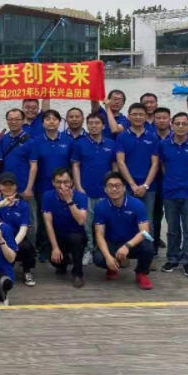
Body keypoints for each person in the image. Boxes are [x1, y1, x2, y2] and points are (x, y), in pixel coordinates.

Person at [159, 112, 188, 277]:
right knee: (172, 229)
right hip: (170, 192)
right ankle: (172, 258)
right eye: (177, 123)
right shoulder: (164, 145)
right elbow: (163, 164)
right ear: (171, 125)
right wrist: (170, 179)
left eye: (184, 124)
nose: (180, 126)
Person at [92, 172, 154, 290]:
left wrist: (127, 245)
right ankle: (113, 266)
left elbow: (145, 231)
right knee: (99, 258)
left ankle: (141, 273)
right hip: (112, 243)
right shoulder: (100, 206)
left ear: (124, 188)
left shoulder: (137, 204)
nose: (114, 189)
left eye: (118, 185)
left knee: (148, 247)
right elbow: (99, 235)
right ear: (105, 189)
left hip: (132, 243)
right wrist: (108, 257)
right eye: (110, 186)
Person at [26, 109, 74, 262]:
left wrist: (72, 185)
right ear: (42, 123)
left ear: (60, 122)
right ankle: (45, 248)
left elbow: (74, 165)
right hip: (43, 186)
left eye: (54, 119)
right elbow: (33, 166)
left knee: (64, 217)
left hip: (65, 187)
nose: (51, 121)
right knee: (44, 218)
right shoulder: (36, 141)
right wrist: (30, 187)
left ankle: (65, 249)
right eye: (48, 119)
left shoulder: (69, 141)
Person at [71, 112, 117, 266]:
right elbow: (76, 166)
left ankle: (105, 250)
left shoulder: (111, 144)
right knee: (86, 225)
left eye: (97, 123)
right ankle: (89, 250)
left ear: (103, 126)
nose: (93, 126)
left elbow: (114, 166)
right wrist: (79, 187)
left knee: (106, 224)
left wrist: (114, 187)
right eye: (90, 123)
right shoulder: (80, 144)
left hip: (106, 193)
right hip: (86, 191)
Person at [115, 103, 160, 253]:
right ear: (128, 116)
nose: (138, 117)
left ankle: (148, 253)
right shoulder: (122, 137)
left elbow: (155, 163)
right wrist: (132, 184)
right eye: (134, 114)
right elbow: (120, 162)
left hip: (149, 187)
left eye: (141, 114)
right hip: (127, 186)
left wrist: (145, 185)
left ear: (146, 116)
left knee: (148, 220)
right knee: (125, 219)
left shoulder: (152, 137)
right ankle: (126, 252)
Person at [42, 167, 89, 288]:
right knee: (55, 259)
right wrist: (55, 248)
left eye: (66, 182)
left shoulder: (81, 196)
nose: (62, 185)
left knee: (76, 239)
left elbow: (81, 220)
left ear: (72, 182)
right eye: (58, 182)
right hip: (57, 236)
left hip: (76, 235)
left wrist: (69, 200)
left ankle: (78, 273)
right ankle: (63, 263)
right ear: (53, 182)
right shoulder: (47, 196)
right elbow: (48, 223)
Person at [0, 173, 36, 287]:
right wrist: (1, 204)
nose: (8, 187)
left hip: (17, 238)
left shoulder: (23, 205)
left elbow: (23, 229)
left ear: (16, 186)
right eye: (4, 184)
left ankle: (27, 271)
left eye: (11, 185)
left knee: (26, 247)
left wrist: (12, 245)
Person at [0, 110, 34, 215]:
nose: (13, 122)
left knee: (28, 219)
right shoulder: (3, 140)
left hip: (24, 188)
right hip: (6, 187)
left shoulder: (30, 141)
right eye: (10, 119)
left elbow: (34, 166)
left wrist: (29, 188)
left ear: (23, 121)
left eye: (17, 119)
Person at [150, 107, 172, 253]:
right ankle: (154, 243)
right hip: (154, 181)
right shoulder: (150, 137)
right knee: (155, 214)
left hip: (173, 182)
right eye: (158, 118)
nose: (162, 120)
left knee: (172, 216)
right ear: (154, 120)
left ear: (170, 119)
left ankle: (174, 248)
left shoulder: (177, 136)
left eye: (164, 118)